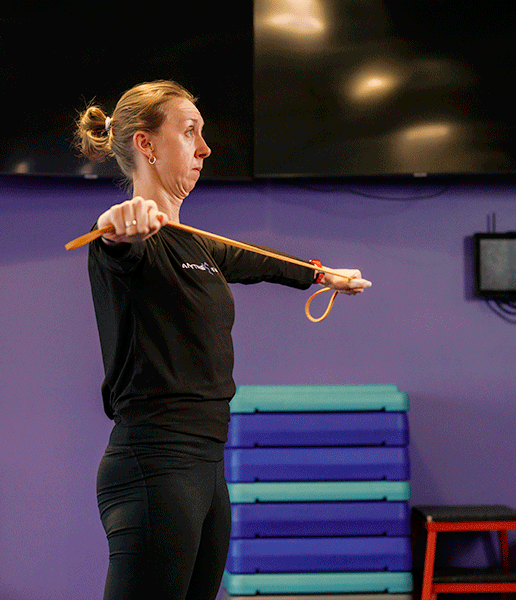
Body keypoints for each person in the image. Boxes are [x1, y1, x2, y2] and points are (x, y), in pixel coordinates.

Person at [75, 80, 371, 600]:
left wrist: (322, 276)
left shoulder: (196, 247)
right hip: (156, 464)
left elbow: (257, 260)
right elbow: (117, 241)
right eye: (190, 132)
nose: (205, 149)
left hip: (207, 466)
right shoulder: (128, 244)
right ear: (145, 144)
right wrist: (119, 222)